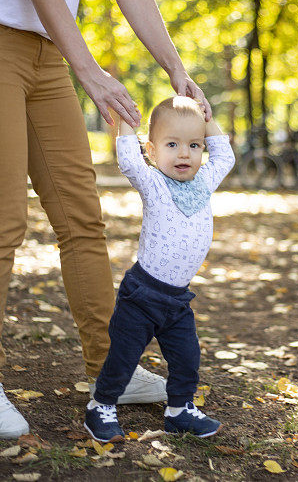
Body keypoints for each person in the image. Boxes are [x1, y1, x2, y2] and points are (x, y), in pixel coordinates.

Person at [0, 0, 212, 439]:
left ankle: (109, 370)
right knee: (1, 218)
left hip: (47, 52)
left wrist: (176, 69)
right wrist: (91, 72)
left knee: (82, 219)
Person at [84, 96, 235, 442]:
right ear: (152, 151)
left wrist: (205, 114)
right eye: (172, 145)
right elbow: (127, 160)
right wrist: (125, 119)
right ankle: (101, 406)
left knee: (187, 358)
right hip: (142, 294)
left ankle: (179, 410)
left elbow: (224, 155)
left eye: (194, 145)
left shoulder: (204, 182)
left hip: (177, 300)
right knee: (123, 356)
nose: (184, 154)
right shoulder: (154, 183)